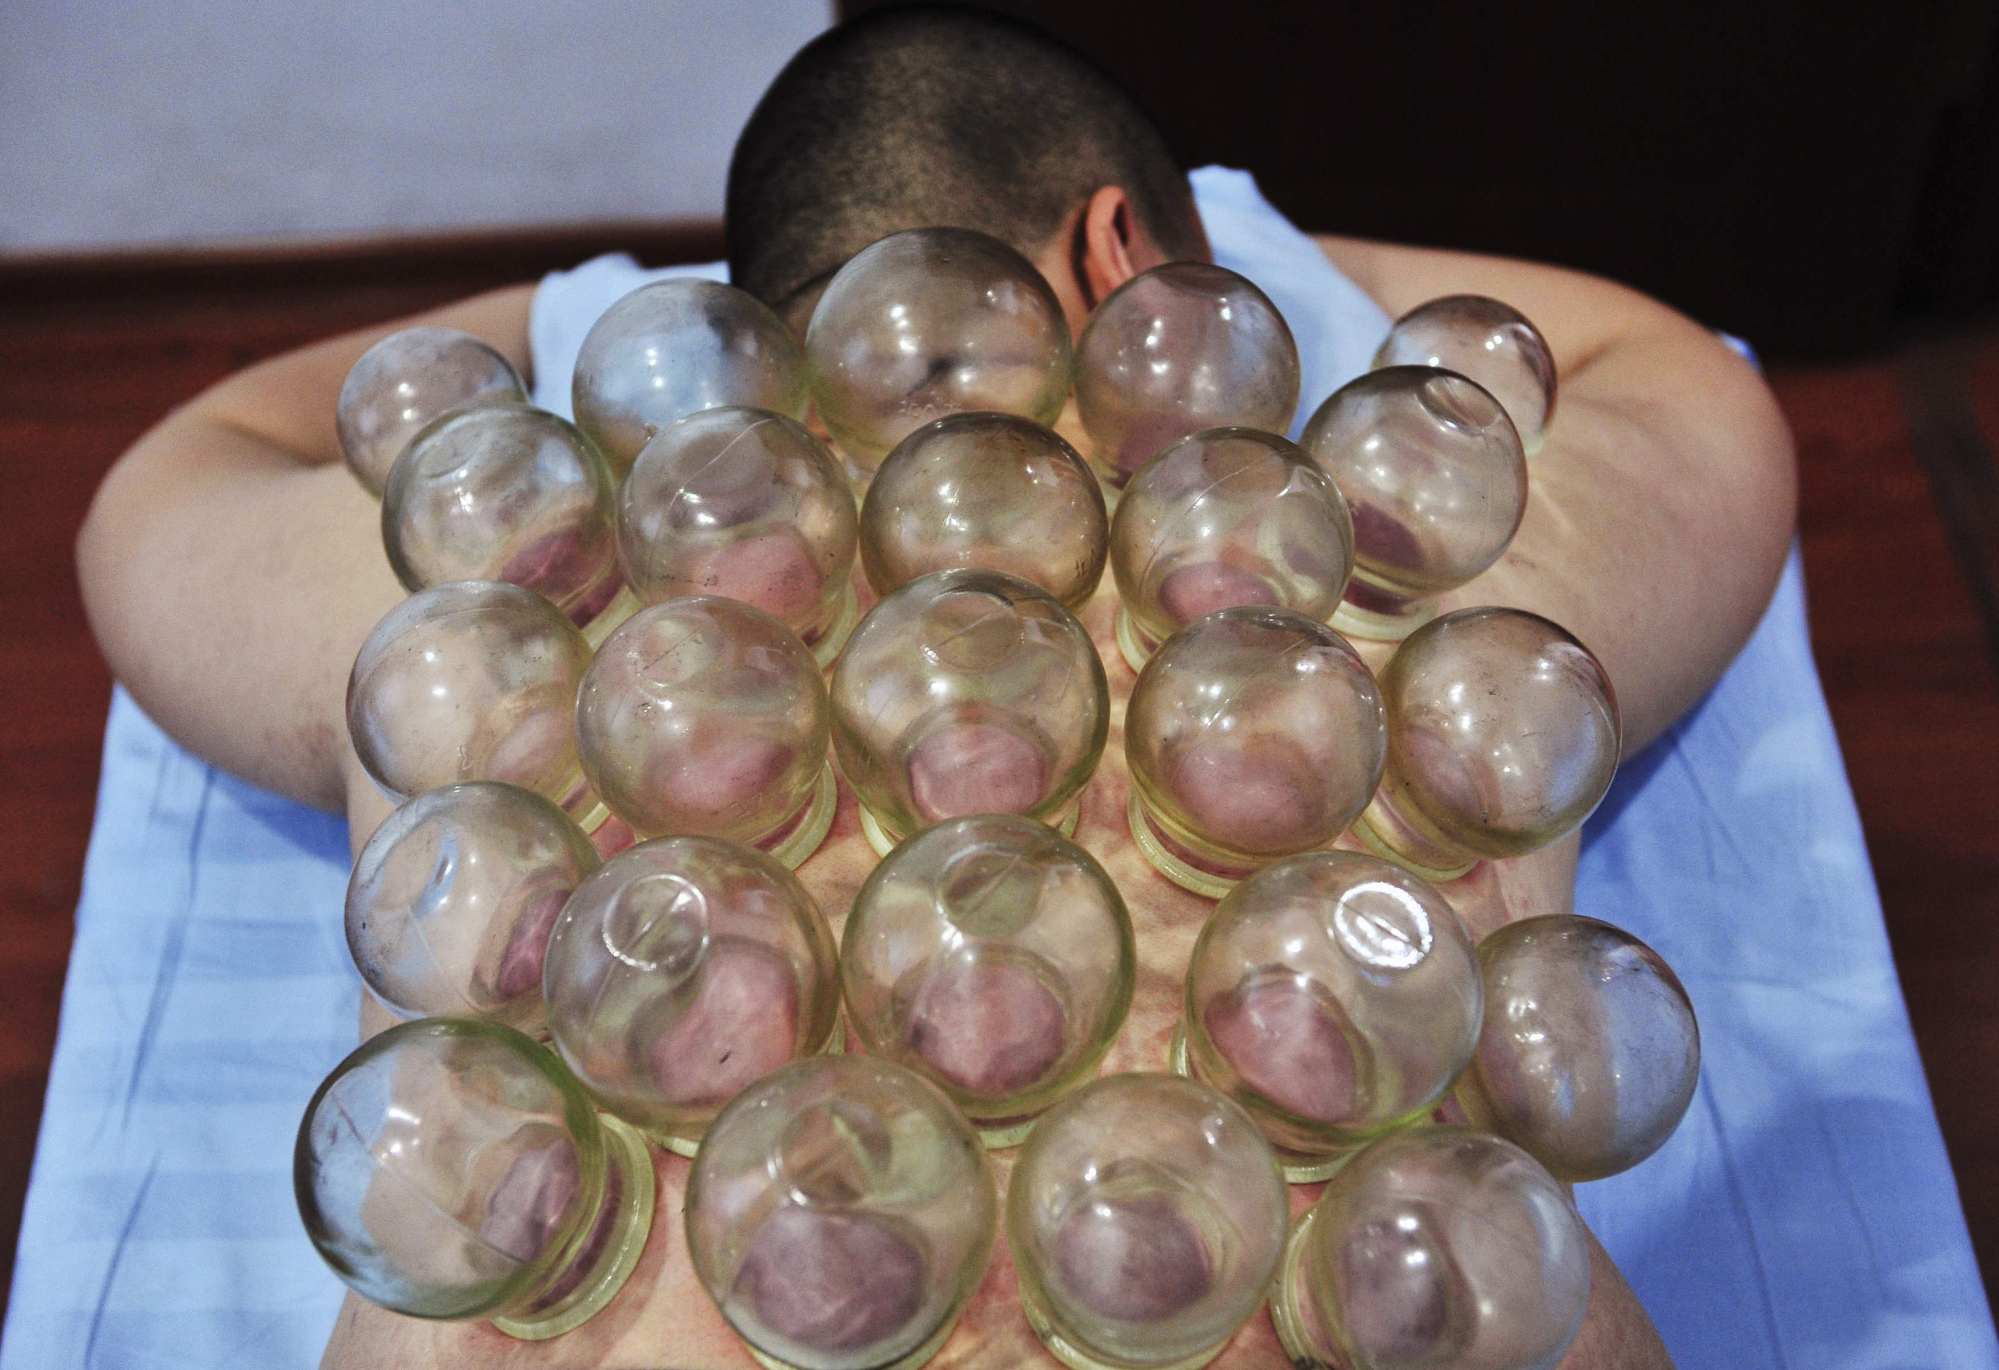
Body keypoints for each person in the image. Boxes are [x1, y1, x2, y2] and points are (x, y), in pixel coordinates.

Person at [71, 8, 1810, 1368]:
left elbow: (175, 477)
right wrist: (1235, 261)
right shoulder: (1396, 578)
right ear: (1124, 249)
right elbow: (1675, 376)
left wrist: (582, 298)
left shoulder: (496, 603)